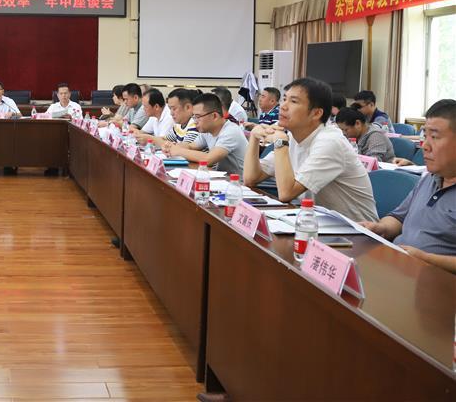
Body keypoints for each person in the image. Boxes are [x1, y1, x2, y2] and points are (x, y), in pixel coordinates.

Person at [243, 77, 378, 222]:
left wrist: (280, 142)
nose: (283, 106)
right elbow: (251, 179)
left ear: (316, 113)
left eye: (293, 101)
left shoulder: (330, 142)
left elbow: (286, 193)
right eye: (284, 99)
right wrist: (254, 138)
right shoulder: (294, 136)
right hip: (316, 222)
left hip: (356, 229)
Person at [359, 99, 456, 275]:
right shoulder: (429, 178)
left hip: (436, 280)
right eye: (425, 136)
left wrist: (427, 259)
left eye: (434, 137)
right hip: (399, 268)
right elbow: (399, 218)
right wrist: (381, 228)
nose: (425, 146)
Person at [165, 93, 248, 175]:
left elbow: (208, 159)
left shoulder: (230, 131)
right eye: (194, 117)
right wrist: (172, 147)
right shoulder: (208, 130)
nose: (195, 121)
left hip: (239, 181)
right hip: (223, 178)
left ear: (214, 116)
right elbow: (191, 146)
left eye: (198, 117)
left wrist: (178, 151)